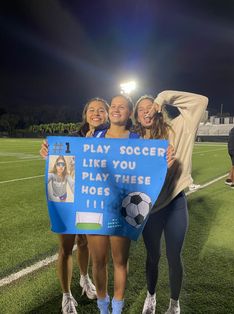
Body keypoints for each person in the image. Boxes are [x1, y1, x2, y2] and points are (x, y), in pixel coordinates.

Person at [133, 91, 208, 314]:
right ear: (137, 117)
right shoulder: (133, 142)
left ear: (158, 109)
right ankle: (151, 297)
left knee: (174, 256)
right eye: (141, 109)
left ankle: (174, 304)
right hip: (150, 207)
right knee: (153, 256)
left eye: (150, 107)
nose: (146, 111)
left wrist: (162, 96)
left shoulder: (178, 128)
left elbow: (201, 102)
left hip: (176, 201)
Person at [40, 98, 109, 314]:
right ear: (85, 114)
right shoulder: (72, 139)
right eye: (91, 110)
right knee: (66, 247)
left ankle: (84, 278)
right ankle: (66, 295)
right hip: (69, 198)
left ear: (107, 115)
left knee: (84, 242)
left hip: (93, 199)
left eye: (101, 110)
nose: (96, 113)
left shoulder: (114, 139)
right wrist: (47, 150)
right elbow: (57, 159)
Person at [86, 94, 140, 314]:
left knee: (119, 261)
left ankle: (117, 308)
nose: (117, 109)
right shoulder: (94, 136)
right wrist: (49, 153)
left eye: (123, 107)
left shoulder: (137, 141)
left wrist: (165, 159)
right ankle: (102, 306)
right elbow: (75, 163)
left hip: (122, 209)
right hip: (94, 207)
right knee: (98, 261)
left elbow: (146, 174)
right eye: (114, 106)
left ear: (129, 113)